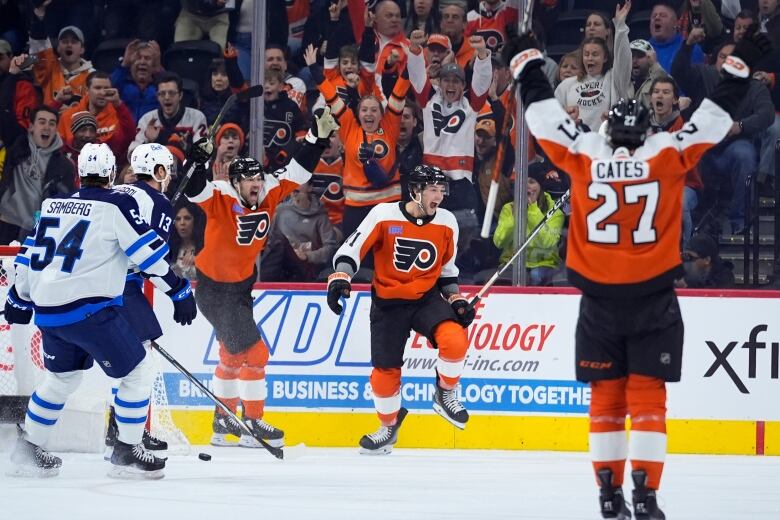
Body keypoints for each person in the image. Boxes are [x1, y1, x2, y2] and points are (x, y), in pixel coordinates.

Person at [506, 25, 771, 518]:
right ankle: (645, 495)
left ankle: (608, 496)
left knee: (606, 400)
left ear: (606, 131)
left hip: (599, 299)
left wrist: (527, 68)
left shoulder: (585, 154)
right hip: (652, 295)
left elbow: (543, 120)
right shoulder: (666, 153)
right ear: (648, 131)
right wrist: (739, 68)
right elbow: (713, 119)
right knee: (648, 398)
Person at [5, 142, 196, 479]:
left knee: (61, 379)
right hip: (90, 312)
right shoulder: (116, 204)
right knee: (139, 372)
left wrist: (18, 299)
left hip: (48, 313)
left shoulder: (52, 204)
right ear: (111, 175)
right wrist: (179, 290)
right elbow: (147, 257)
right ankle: (126, 451)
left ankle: (27, 448)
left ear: (79, 173)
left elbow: (27, 255)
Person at [183, 108, 338, 449]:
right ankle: (253, 422)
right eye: (249, 181)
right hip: (212, 290)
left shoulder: (268, 190)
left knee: (231, 355)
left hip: (241, 288)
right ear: (235, 182)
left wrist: (317, 137)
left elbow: (297, 171)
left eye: (258, 180)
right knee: (256, 353)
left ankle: (223, 424)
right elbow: (193, 189)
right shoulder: (219, 194)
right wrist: (196, 160)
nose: (255, 186)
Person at [326, 165, 475, 454]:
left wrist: (456, 299)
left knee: (455, 340)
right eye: (433, 189)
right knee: (383, 376)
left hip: (426, 299)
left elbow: (447, 273)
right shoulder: (384, 215)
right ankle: (388, 427)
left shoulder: (446, 222)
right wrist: (341, 277)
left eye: (441, 189)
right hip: (388, 303)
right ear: (415, 191)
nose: (439, 195)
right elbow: (351, 249)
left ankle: (445, 393)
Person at [103, 142, 179, 458]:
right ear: (159, 171)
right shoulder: (159, 201)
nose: (170, 177)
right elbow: (154, 259)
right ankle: (124, 431)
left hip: (99, 281)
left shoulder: (117, 190)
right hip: (125, 284)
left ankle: (119, 428)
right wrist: (178, 290)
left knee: (126, 359)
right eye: (167, 170)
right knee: (139, 361)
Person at [0, 106, 76, 245]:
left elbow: (67, 201)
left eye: (52, 123)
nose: (47, 127)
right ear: (31, 127)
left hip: (36, 230)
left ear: (56, 129)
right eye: (42, 122)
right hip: (6, 226)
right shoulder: (16, 147)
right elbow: (5, 114)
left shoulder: (65, 165)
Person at [554, 2, 632, 132]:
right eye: (587, 54)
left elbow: (623, 60)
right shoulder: (567, 85)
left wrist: (620, 26)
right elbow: (553, 119)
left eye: (595, 54)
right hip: (576, 146)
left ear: (605, 58)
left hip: (604, 144)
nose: (590, 58)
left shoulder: (614, 78)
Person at [647, 75, 702, 245]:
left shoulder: (685, 125)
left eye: (666, 92)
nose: (660, 96)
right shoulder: (640, 125)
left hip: (685, 185)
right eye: (656, 92)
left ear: (675, 99)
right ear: (651, 98)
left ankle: (685, 253)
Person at [493, 163, 564, 286]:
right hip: (512, 263)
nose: (526, 186)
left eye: (531, 182)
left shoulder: (555, 211)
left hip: (544, 264)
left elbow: (547, 242)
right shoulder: (509, 208)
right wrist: (514, 216)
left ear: (541, 186)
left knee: (536, 275)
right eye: (522, 181)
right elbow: (499, 242)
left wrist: (532, 210)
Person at [58, 71, 136, 162]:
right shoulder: (68, 116)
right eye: (98, 88)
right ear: (87, 90)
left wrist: (118, 103)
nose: (103, 93)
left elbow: (130, 135)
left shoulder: (119, 115)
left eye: (106, 88)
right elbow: (58, 147)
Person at [28, 3, 94, 109]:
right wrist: (38, 17)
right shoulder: (49, 69)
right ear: (58, 48)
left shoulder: (92, 76)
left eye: (74, 41)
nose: (69, 44)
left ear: (82, 49)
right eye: (64, 41)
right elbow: (38, 48)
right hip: (51, 123)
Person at [130, 72, 208, 157]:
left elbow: (203, 155)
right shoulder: (147, 119)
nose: (167, 97)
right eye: (162, 93)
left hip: (186, 168)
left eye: (171, 93)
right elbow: (133, 155)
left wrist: (186, 147)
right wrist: (147, 142)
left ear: (180, 95)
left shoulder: (196, 117)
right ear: (157, 96)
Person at [111, 39, 163, 124]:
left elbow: (170, 90)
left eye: (147, 58)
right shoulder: (121, 82)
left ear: (154, 64)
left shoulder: (159, 85)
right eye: (138, 58)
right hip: (125, 132)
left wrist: (158, 69)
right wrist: (124, 64)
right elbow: (107, 88)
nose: (142, 62)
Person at [169, 201, 205, 280]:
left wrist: (200, 259)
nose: (182, 223)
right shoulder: (168, 248)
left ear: (195, 221)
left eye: (187, 218)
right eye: (178, 219)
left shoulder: (207, 247)